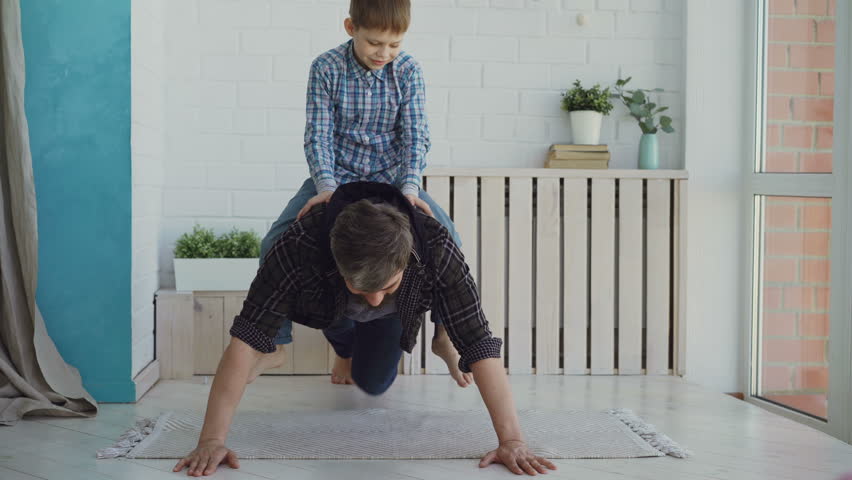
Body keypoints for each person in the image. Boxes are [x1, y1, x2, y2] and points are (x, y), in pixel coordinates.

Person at [172, 182, 558, 477]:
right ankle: (343, 345)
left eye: (386, 288)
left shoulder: (436, 247)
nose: (373, 301)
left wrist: (512, 441)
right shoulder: (299, 244)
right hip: (328, 306)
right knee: (340, 315)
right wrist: (211, 441)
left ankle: (397, 326)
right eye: (362, 289)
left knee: (373, 381)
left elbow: (478, 343)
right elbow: (247, 340)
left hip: (396, 314)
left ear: (407, 260)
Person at [253, 0, 464, 382]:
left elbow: (416, 137)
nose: (384, 53)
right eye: (374, 43)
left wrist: (410, 188)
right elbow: (318, 135)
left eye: (394, 44)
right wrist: (326, 188)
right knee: (273, 242)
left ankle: (444, 337)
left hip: (393, 180)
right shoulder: (326, 67)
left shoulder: (408, 70)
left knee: (450, 239)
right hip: (337, 178)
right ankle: (275, 345)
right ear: (351, 28)